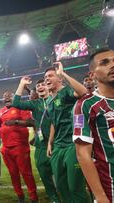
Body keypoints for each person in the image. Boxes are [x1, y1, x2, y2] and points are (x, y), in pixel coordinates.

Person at [45, 62, 90, 203]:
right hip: (58, 147)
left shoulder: (66, 91)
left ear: (59, 79)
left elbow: (84, 92)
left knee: (75, 186)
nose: (46, 79)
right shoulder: (50, 100)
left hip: (72, 144)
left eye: (50, 76)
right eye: (45, 76)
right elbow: (53, 122)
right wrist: (49, 143)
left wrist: (63, 73)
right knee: (61, 186)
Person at [74, 48, 114, 203]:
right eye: (104, 62)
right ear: (92, 75)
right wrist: (101, 197)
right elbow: (83, 154)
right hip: (110, 187)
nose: (112, 65)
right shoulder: (85, 105)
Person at [11, 77, 60, 202]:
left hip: (58, 144)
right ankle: (54, 199)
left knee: (61, 176)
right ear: (37, 92)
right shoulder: (35, 104)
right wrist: (22, 84)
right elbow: (16, 103)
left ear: (48, 87)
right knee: (45, 176)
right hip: (41, 147)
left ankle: (65, 196)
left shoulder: (57, 100)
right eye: (38, 87)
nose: (40, 87)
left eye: (43, 84)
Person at [0, 90, 38, 203]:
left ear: (14, 98)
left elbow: (31, 122)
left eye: (9, 96)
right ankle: (20, 196)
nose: (6, 97)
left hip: (19, 146)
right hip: (6, 147)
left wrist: (15, 122)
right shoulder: (2, 111)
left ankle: (34, 198)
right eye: (4, 96)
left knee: (26, 173)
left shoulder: (20, 107)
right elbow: (0, 124)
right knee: (13, 174)